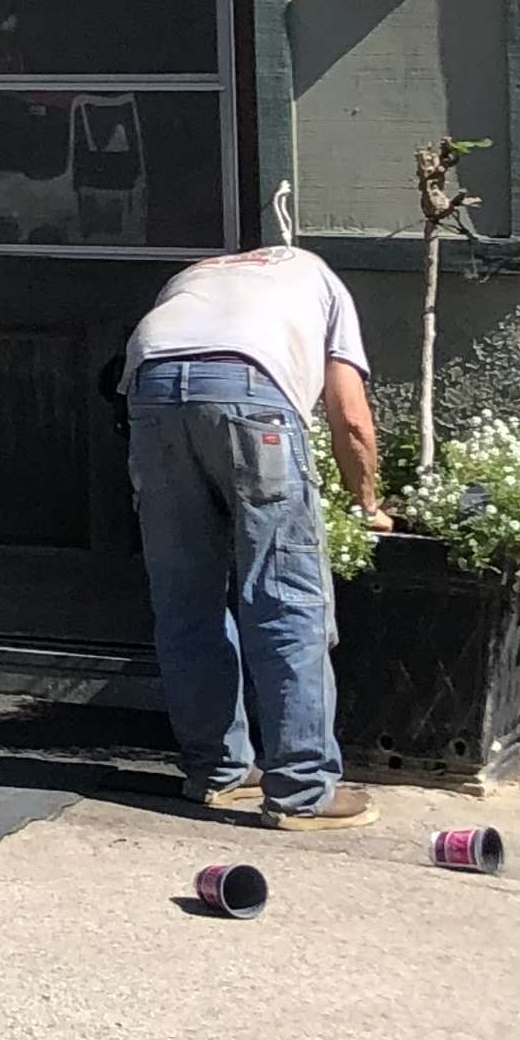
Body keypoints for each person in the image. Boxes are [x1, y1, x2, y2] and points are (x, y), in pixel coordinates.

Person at [121, 241, 388, 829]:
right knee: (285, 594)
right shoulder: (322, 282)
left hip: (152, 383)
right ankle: (303, 791)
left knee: (186, 597)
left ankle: (217, 774)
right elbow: (349, 415)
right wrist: (368, 501)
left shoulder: (196, 274)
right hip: (251, 390)